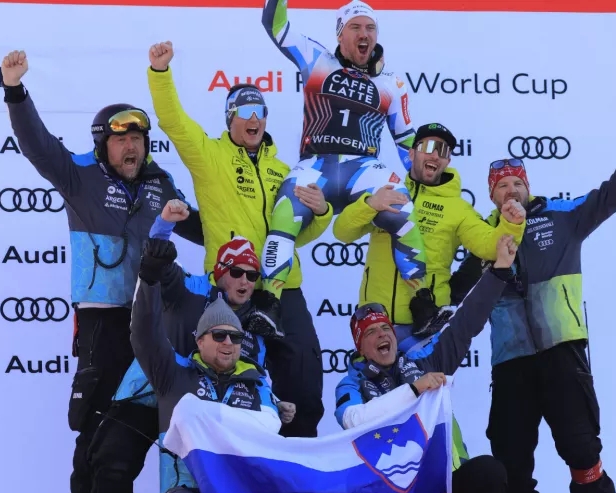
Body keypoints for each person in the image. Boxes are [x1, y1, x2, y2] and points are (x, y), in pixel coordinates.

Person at [0, 49, 203, 493]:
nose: (131, 147)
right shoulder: (80, 178)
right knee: (92, 432)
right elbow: (38, 146)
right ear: (103, 145)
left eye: (137, 138)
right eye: (121, 140)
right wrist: (15, 90)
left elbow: (206, 229)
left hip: (154, 322)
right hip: (102, 324)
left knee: (128, 435)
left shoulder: (159, 183)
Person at [449, 117, 616, 493]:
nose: (510, 191)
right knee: (510, 458)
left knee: (581, 448)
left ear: (527, 186)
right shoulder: (482, 240)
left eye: (515, 182)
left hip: (563, 354)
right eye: (501, 186)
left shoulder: (563, 216)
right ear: (491, 196)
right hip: (510, 363)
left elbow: (614, 193)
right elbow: (456, 296)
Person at [85, 202, 293, 493]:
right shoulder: (191, 287)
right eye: (238, 272)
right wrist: (163, 227)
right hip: (153, 388)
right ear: (218, 272)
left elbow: (254, 375)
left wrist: (274, 402)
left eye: (252, 275)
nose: (245, 281)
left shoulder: (256, 318)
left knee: (210, 478)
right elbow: (153, 267)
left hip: (202, 406)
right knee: (113, 458)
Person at [147, 41, 331, 437]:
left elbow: (301, 234)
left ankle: (295, 468)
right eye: (245, 111)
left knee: (303, 380)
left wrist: (321, 212)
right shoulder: (209, 156)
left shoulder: (283, 170)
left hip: (285, 288)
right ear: (230, 117)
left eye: (259, 111)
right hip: (230, 287)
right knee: (231, 387)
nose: (253, 118)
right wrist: (160, 74)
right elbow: (174, 121)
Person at [258, 0, 453, 335]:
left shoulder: (392, 83)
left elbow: (406, 141)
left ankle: (422, 304)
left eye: (371, 28)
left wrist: (427, 178)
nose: (365, 35)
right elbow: (275, 25)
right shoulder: (318, 58)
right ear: (340, 33)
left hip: (364, 168)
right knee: (283, 215)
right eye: (356, 27)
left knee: (403, 211)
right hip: (315, 165)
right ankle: (268, 305)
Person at [333, 235, 517, 493]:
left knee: (489, 472)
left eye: (386, 328)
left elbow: (465, 323)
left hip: (446, 482)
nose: (383, 335)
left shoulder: (423, 361)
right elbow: (353, 419)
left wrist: (499, 270)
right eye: (372, 333)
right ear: (361, 347)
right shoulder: (351, 384)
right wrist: (414, 390)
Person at [131, 250, 283, 493]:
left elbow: (270, 426)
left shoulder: (256, 383)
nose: (229, 343)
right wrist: (148, 279)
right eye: (219, 335)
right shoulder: (174, 374)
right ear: (200, 340)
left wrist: (198, 413)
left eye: (236, 337)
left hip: (240, 489)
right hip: (186, 490)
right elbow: (145, 334)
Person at [332, 123, 526, 341]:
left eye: (443, 151)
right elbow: (342, 233)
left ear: (447, 162)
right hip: (376, 322)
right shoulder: (387, 191)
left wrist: (511, 224)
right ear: (412, 153)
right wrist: (369, 203)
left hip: (426, 325)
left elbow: (490, 247)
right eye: (429, 146)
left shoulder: (458, 208)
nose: (435, 154)